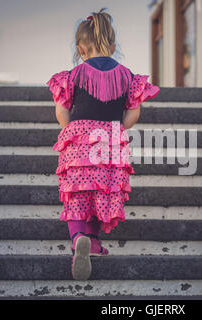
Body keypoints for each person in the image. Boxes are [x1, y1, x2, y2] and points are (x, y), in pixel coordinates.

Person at [47, 8, 160, 280]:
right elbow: (132, 117)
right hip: (109, 141)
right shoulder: (126, 76)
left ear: (80, 49)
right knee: (102, 192)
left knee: (77, 194)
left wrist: (73, 128)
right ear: (112, 45)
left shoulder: (72, 76)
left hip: (78, 143)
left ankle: (78, 240)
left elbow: (62, 112)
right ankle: (94, 242)